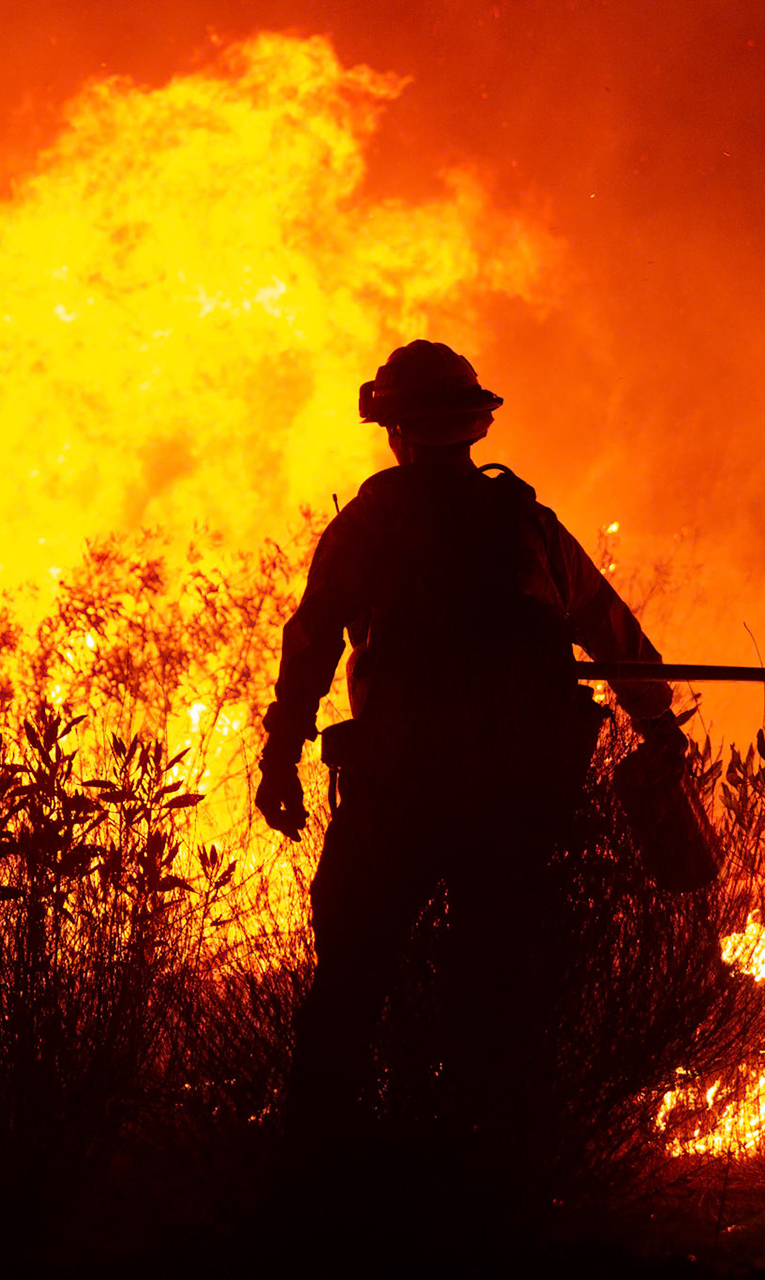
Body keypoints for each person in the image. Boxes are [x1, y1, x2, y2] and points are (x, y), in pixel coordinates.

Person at [255, 339, 686, 1210]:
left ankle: (310, 1190)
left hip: (397, 788)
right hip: (515, 789)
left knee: (352, 978)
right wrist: (656, 725)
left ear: (395, 433)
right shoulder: (527, 524)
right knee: (499, 981)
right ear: (468, 425)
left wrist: (283, 752)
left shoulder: (369, 526)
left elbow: (311, 644)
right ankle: (498, 1182)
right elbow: (611, 630)